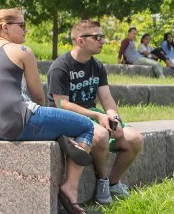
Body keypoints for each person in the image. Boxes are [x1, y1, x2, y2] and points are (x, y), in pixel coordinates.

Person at [0, 8, 107, 214]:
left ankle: (62, 136)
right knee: (88, 126)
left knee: (62, 122)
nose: (26, 29)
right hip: (23, 121)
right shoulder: (22, 51)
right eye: (22, 25)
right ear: (6, 27)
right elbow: (38, 96)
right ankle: (70, 187)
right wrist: (47, 117)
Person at [49, 19, 147, 206]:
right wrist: (98, 116)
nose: (103, 41)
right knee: (100, 135)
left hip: (92, 113)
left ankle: (113, 183)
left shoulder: (97, 66)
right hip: (66, 117)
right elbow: (62, 104)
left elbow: (107, 99)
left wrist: (114, 118)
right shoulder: (61, 67)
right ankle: (102, 180)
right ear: (80, 41)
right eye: (97, 37)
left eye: (102, 36)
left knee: (134, 139)